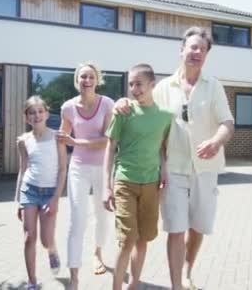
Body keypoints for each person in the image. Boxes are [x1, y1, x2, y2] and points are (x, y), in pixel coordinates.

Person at [115, 27, 234, 290]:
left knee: (199, 226)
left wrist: (216, 141)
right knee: (176, 229)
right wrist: (121, 102)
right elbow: (141, 106)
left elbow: (227, 123)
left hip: (205, 169)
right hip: (173, 169)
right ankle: (177, 285)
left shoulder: (214, 86)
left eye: (202, 49)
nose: (197, 53)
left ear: (206, 55)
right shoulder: (164, 87)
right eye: (192, 47)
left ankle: (188, 269)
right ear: (181, 50)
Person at [102, 63, 173, 290]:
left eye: (139, 84)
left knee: (143, 239)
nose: (134, 88)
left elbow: (163, 148)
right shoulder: (123, 111)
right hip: (125, 182)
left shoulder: (165, 116)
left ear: (152, 84)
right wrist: (106, 185)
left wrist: (165, 169)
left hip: (151, 184)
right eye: (131, 84)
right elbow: (110, 148)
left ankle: (133, 286)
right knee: (127, 240)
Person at [56, 62, 115, 290]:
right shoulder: (68, 108)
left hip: (102, 167)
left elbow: (107, 140)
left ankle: (98, 254)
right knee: (77, 221)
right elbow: (63, 140)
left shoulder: (107, 104)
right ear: (77, 80)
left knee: (102, 216)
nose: (87, 81)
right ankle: (74, 276)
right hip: (78, 168)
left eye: (91, 77)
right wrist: (60, 170)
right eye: (83, 77)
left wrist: (75, 142)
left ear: (97, 80)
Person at [14, 96, 68, 290]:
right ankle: (32, 281)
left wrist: (56, 199)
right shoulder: (23, 141)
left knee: (45, 240)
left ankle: (52, 250)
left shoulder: (57, 137)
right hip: (30, 191)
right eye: (31, 112)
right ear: (27, 117)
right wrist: (18, 201)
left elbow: (63, 169)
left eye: (40, 111)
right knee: (29, 237)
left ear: (46, 113)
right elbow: (23, 169)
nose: (36, 115)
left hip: (49, 193)